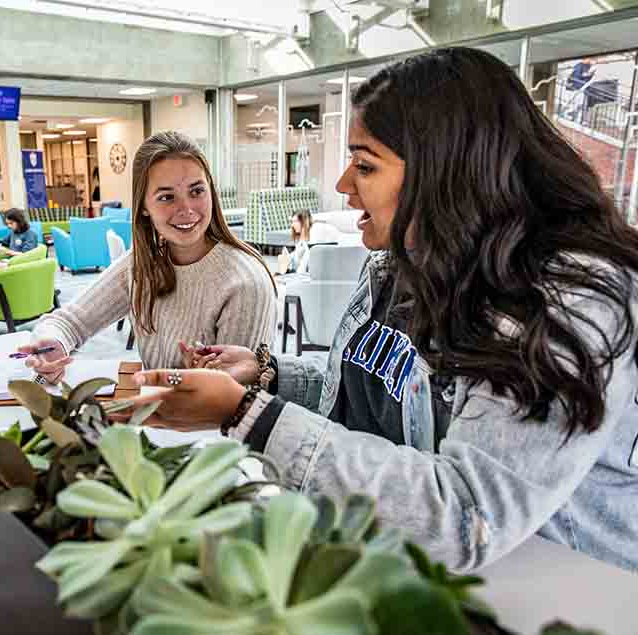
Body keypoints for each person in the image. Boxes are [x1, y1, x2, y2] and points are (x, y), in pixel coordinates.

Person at [124, 48, 638, 573]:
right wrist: (268, 375)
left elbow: (465, 515)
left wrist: (246, 413)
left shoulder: (568, 303)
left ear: (445, 171)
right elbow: (381, 398)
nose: (343, 185)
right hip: (407, 570)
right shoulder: (398, 269)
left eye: (365, 165)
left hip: (562, 588)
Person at [19, 130, 278, 382]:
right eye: (167, 197)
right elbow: (69, 322)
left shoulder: (244, 283)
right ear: (143, 206)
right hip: (156, 407)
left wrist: (194, 382)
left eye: (196, 191)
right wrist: (52, 342)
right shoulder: (144, 262)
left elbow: (244, 399)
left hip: (196, 412)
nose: (186, 209)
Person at [286, 209, 312, 274]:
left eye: (295, 221)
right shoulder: (299, 241)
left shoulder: (310, 243)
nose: (292, 225)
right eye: (292, 222)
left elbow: (302, 268)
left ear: (304, 222)